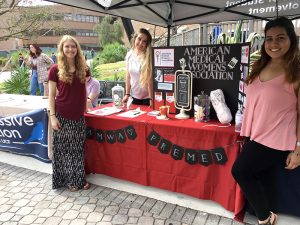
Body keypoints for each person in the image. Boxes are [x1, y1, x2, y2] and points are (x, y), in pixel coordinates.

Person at [231, 17, 300, 225]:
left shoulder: (296, 73)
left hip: (277, 138)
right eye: (269, 39)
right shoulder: (260, 65)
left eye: (280, 38)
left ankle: (266, 218)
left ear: (292, 40)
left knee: (240, 170)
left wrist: (298, 149)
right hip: (257, 133)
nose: (273, 44)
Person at [48, 35, 91, 192]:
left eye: (73, 46)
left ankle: (79, 179)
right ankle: (68, 181)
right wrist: (52, 117)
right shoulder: (55, 69)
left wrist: (87, 106)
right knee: (64, 149)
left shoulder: (84, 68)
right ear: (62, 48)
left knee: (77, 148)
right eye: (67, 46)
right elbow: (51, 95)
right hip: (61, 114)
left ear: (77, 48)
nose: (70, 49)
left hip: (78, 115)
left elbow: (84, 89)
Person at [122, 28, 153, 106]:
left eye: (144, 41)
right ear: (135, 39)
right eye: (139, 39)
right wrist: (127, 94)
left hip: (147, 99)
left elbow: (150, 79)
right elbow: (128, 76)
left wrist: (151, 98)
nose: (140, 43)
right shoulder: (129, 55)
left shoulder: (148, 56)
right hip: (134, 97)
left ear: (147, 44)